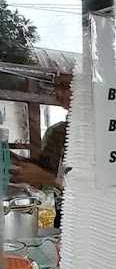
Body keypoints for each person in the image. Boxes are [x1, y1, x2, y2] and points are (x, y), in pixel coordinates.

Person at [10, 74, 71, 226]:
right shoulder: (56, 133)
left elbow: (98, 187)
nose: (58, 94)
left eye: (65, 86)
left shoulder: (107, 133)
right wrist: (15, 161)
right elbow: (45, 170)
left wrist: (47, 178)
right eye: (55, 87)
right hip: (61, 217)